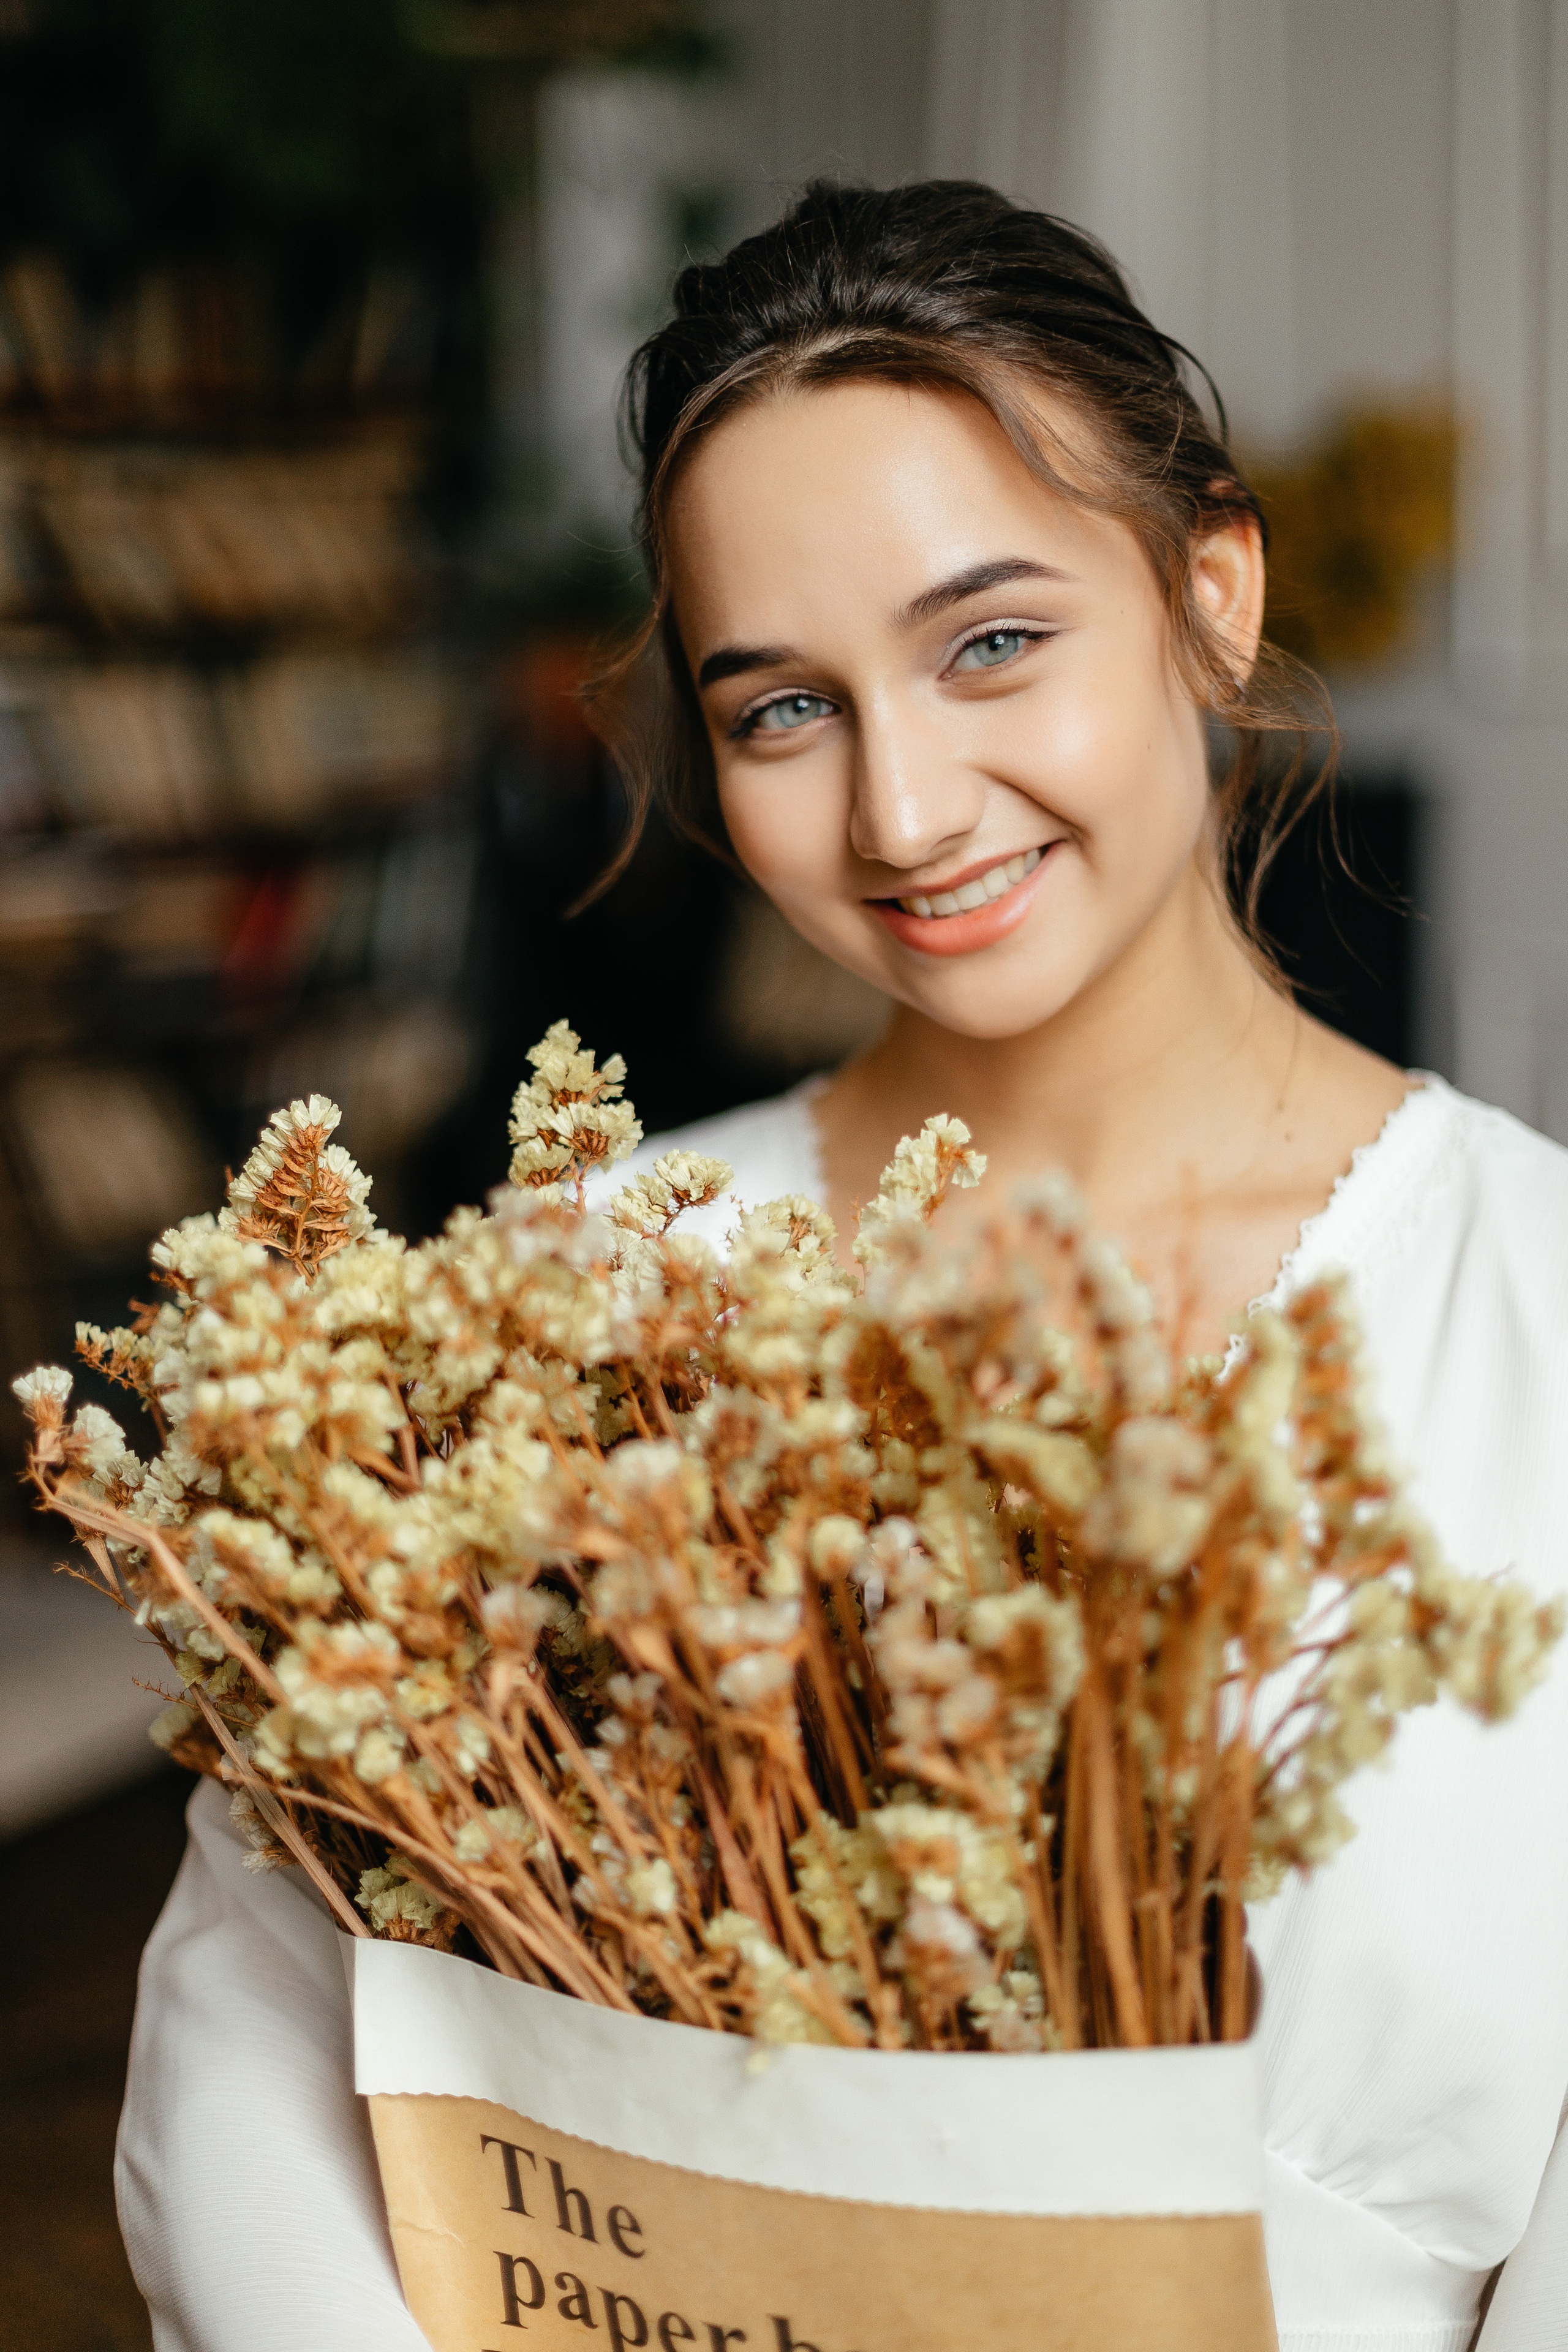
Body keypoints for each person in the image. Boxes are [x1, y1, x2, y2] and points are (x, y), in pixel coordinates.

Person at [119, 181, 1568, 2351]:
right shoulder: (553, 1309)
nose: (901, 812)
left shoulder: (1535, 1317)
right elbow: (246, 2068)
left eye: (992, 643)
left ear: (1212, 594)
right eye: (782, 707)